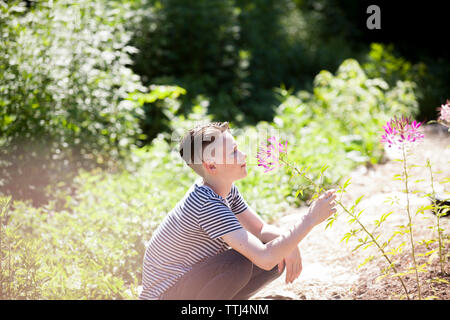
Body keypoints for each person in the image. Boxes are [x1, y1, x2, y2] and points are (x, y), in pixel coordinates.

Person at [139, 122, 337, 300]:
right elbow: (265, 258)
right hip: (166, 295)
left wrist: (291, 245)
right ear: (211, 166)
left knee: (278, 250)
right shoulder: (206, 203)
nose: (243, 155)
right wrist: (310, 219)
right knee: (240, 262)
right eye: (234, 151)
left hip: (189, 285)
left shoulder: (225, 189)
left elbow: (260, 230)